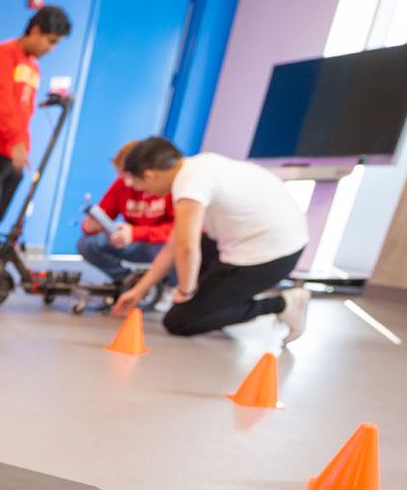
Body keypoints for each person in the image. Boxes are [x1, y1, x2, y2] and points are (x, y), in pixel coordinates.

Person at [110, 136, 312, 341]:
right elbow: (174, 243)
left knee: (180, 320)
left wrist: (185, 291)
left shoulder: (189, 183)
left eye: (139, 185)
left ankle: (283, 304)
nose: (143, 191)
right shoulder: (199, 166)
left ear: (150, 175)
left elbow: (186, 248)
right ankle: (228, 297)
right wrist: (139, 290)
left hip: (270, 256)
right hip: (276, 242)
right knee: (198, 255)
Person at [0, 5, 70, 277]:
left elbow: (25, 112)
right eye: (51, 41)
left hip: (14, 151)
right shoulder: (2, 55)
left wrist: (22, 148)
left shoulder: (33, 67)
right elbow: (2, 105)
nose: (52, 49)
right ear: (35, 31)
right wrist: (16, 143)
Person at [77, 139, 175, 286]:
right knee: (88, 244)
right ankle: (130, 282)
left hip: (159, 244)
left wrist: (136, 233)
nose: (127, 183)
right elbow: (104, 213)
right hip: (131, 242)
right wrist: (90, 225)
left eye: (128, 176)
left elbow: (178, 232)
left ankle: (166, 286)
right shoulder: (121, 185)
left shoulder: (169, 187)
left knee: (175, 250)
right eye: (122, 177)